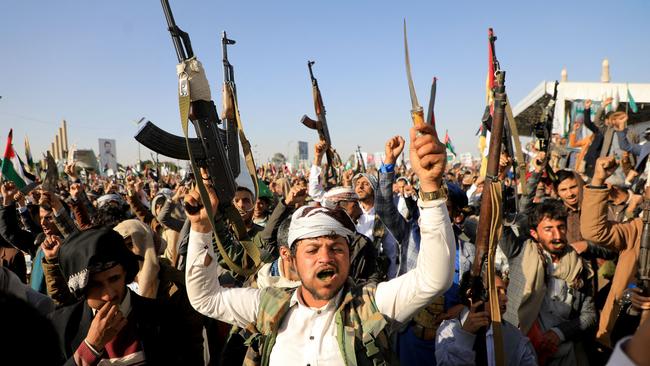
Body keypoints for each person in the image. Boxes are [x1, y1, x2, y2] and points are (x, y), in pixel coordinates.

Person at [185, 123, 456, 365]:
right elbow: (205, 298)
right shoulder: (269, 305)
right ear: (290, 258)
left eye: (337, 248)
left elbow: (433, 279)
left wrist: (430, 187)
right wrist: (200, 228)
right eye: (312, 250)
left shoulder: (370, 305)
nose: (325, 257)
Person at [50, 227, 201, 365]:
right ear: (79, 288)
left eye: (114, 279)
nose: (109, 294)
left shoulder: (167, 316)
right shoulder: (62, 326)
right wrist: (91, 347)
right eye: (96, 285)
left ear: (125, 273)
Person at [499, 199, 596, 365]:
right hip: (520, 350)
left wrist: (558, 333)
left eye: (561, 227)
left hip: (563, 354)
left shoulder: (581, 266)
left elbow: (589, 315)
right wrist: (497, 179)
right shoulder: (520, 252)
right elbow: (495, 222)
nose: (557, 236)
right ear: (534, 233)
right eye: (549, 229)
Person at [436, 272, 537, 365]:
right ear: (472, 295)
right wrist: (465, 335)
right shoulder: (448, 330)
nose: (505, 298)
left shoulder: (515, 336)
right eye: (496, 292)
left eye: (505, 292)